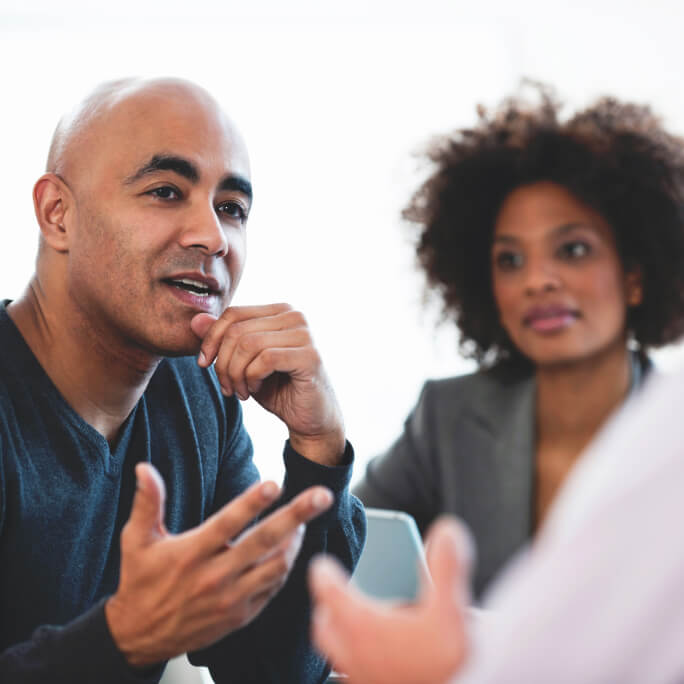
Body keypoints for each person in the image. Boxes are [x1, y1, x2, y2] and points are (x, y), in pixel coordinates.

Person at [0, 77, 365, 683]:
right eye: (166, 191)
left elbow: (271, 671)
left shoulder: (197, 395)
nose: (213, 237)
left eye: (232, 208)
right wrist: (123, 639)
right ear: (57, 213)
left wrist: (319, 450)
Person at [353, 85, 684, 598]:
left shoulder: (671, 431)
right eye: (510, 260)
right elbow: (345, 549)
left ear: (635, 277)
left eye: (572, 250)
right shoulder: (447, 419)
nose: (536, 281)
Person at [310, 360, 684, 683]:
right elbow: (359, 527)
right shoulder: (449, 410)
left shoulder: (667, 421)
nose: (539, 295)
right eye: (511, 273)